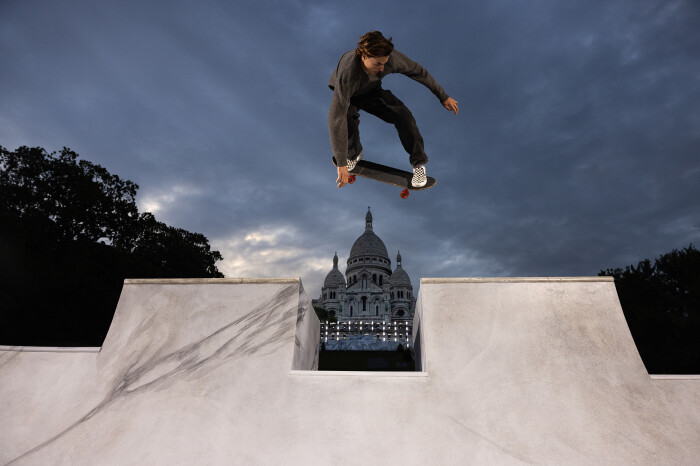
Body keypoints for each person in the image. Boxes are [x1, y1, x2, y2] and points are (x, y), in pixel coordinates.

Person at [328, 31, 458, 189]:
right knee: (346, 115)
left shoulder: (391, 59)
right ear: (363, 56)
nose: (382, 69)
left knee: (403, 115)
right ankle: (353, 153)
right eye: (378, 64)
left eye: (385, 63)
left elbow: (419, 72)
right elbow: (336, 118)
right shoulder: (348, 72)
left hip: (372, 93)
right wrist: (341, 162)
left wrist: (442, 96)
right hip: (349, 95)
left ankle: (419, 164)